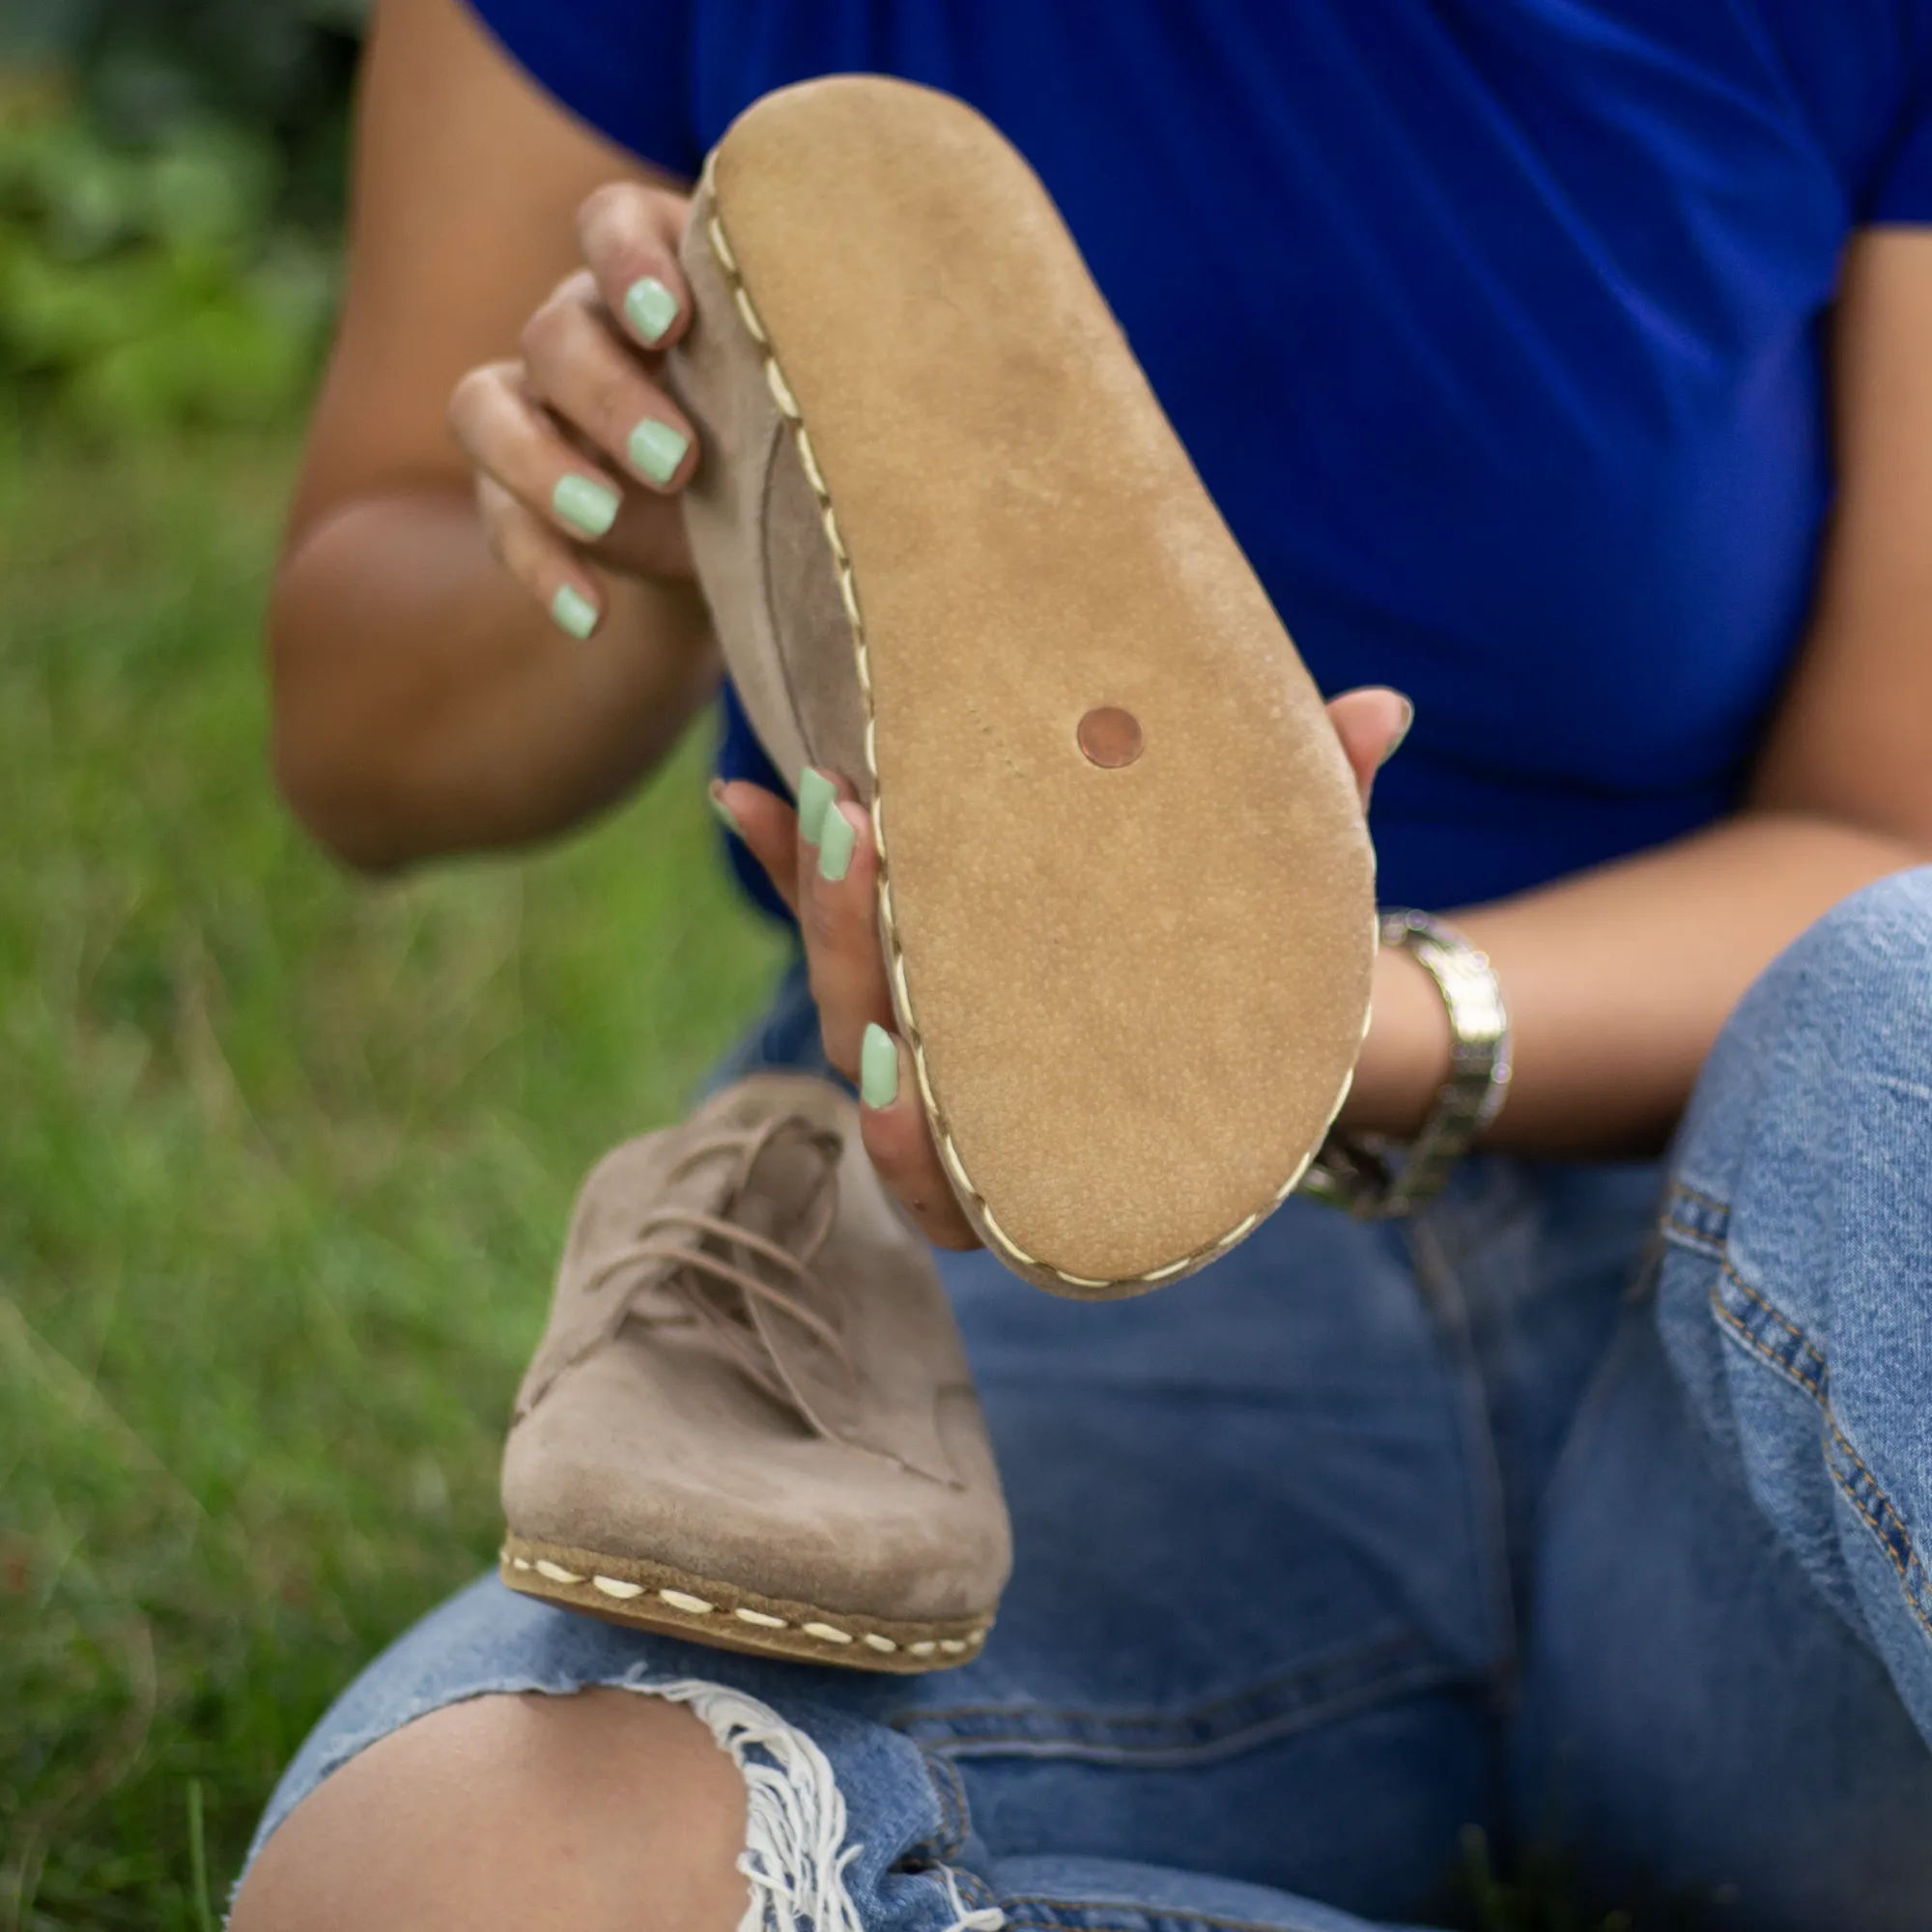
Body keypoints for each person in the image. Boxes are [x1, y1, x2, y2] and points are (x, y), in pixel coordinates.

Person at [235, 0, 1932, 1925]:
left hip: (1768, 1300)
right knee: (468, 1877)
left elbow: (1893, 828)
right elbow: (356, 743)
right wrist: (645, 539)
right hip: (1019, 1285)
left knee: (1911, 1011)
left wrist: (1293, 1021)